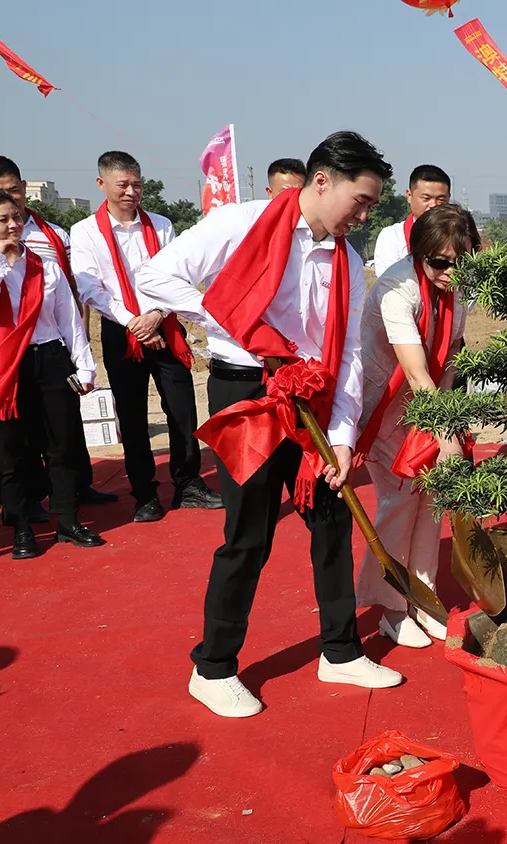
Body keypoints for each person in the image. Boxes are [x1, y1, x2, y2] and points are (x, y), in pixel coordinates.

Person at [136, 131, 402, 718]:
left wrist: (341, 437)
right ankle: (213, 667)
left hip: (314, 397)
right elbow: (157, 276)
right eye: (359, 201)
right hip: (249, 392)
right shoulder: (242, 224)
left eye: (369, 207)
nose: (361, 216)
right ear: (322, 180)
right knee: (248, 533)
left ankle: (340, 650)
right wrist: (235, 322)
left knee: (331, 523)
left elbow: (352, 353)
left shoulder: (348, 258)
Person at [70, 151, 222, 522]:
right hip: (120, 331)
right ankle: (144, 493)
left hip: (166, 325)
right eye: (123, 184)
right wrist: (134, 322)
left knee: (183, 409)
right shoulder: (85, 231)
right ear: (101, 184)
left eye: (136, 184)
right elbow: (91, 288)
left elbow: (178, 277)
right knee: (133, 414)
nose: (131, 191)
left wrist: (155, 316)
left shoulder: (161, 225)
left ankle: (188, 483)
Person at [355, 204, 477, 648]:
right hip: (383, 406)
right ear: (419, 253)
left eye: (461, 260)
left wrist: (448, 417)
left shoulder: (458, 287)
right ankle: (390, 606)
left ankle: (423, 597)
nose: (450, 271)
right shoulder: (396, 288)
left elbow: (448, 364)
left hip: (426, 401)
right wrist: (445, 433)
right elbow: (415, 371)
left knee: (432, 503)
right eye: (440, 261)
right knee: (401, 501)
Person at [0, 190, 105, 558]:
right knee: (11, 451)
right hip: (2, 361)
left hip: (50, 358)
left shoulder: (46, 266)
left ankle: (68, 521)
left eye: (17, 217)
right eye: (2, 220)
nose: (13, 226)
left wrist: (84, 365)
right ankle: (21, 528)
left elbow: (68, 321)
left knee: (63, 442)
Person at [0, 155, 117, 511]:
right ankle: (29, 502)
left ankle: (75, 492)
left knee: (63, 429)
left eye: (15, 191)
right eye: (0, 195)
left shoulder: (53, 233)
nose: (12, 207)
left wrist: (77, 344)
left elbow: (68, 293)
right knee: (21, 435)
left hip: (52, 343)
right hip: (8, 349)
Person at [373, 165, 451, 276]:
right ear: (409, 196)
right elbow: (389, 283)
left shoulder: (458, 237)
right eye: (426, 198)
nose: (433, 205)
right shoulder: (392, 237)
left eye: (441, 199)